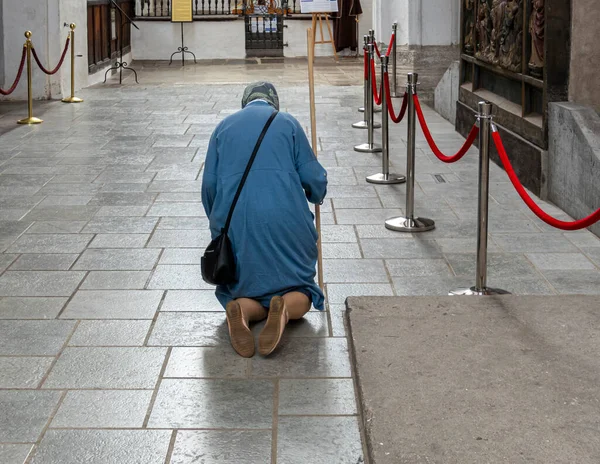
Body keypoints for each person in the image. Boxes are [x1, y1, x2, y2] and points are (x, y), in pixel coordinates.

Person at [202, 82, 328, 358]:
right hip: (288, 227)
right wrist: (318, 191)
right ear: (274, 103)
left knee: (241, 291)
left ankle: (243, 311)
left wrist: (220, 226)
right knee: (304, 292)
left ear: (245, 102)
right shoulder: (288, 124)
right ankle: (282, 308)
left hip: (238, 231)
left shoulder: (223, 128)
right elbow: (314, 180)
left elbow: (209, 188)